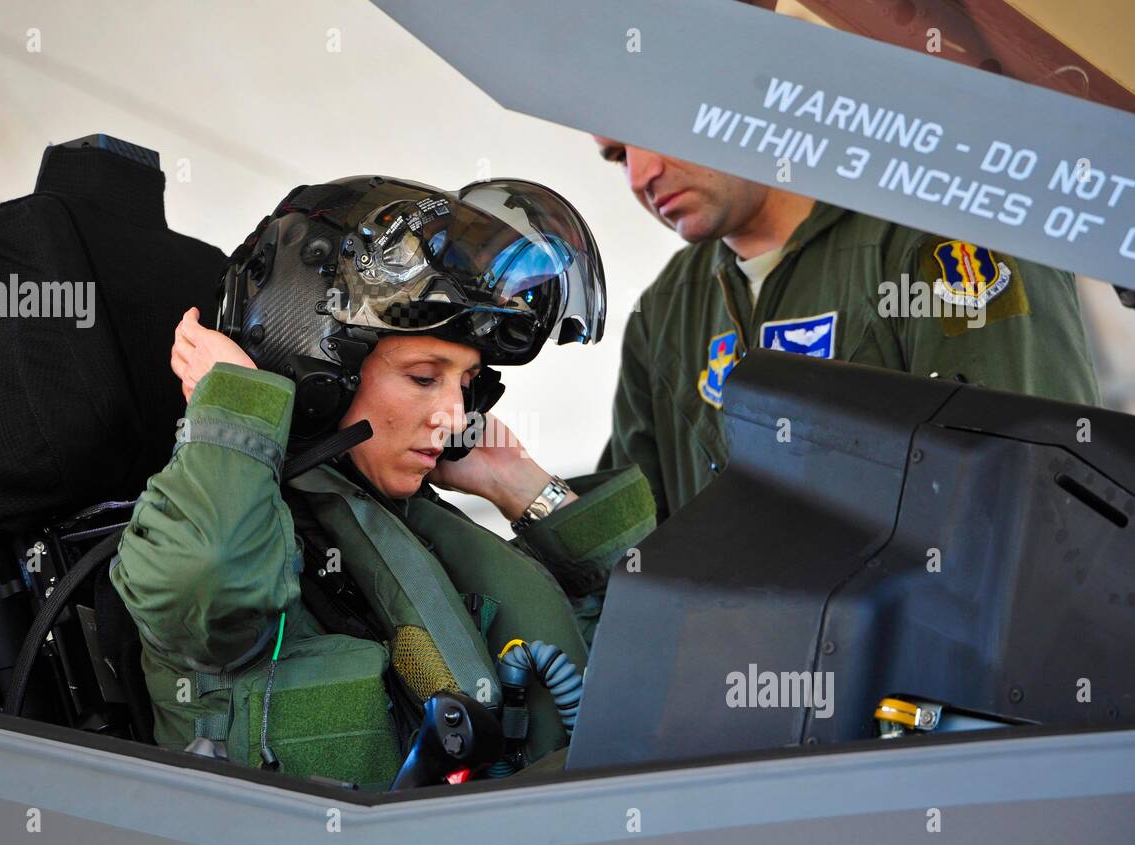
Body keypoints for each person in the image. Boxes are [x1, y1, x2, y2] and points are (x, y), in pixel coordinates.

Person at [109, 175, 655, 789]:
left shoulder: (410, 524)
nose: (455, 415)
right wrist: (235, 411)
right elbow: (209, 583)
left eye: (465, 383)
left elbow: (648, 659)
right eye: (425, 377)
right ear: (322, 372)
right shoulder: (215, 530)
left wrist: (522, 487)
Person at [592, 136, 1101, 523]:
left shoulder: (947, 235)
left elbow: (1032, 505)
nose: (641, 175)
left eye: (656, 131)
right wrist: (528, 491)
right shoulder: (665, 307)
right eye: (617, 155)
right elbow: (633, 546)